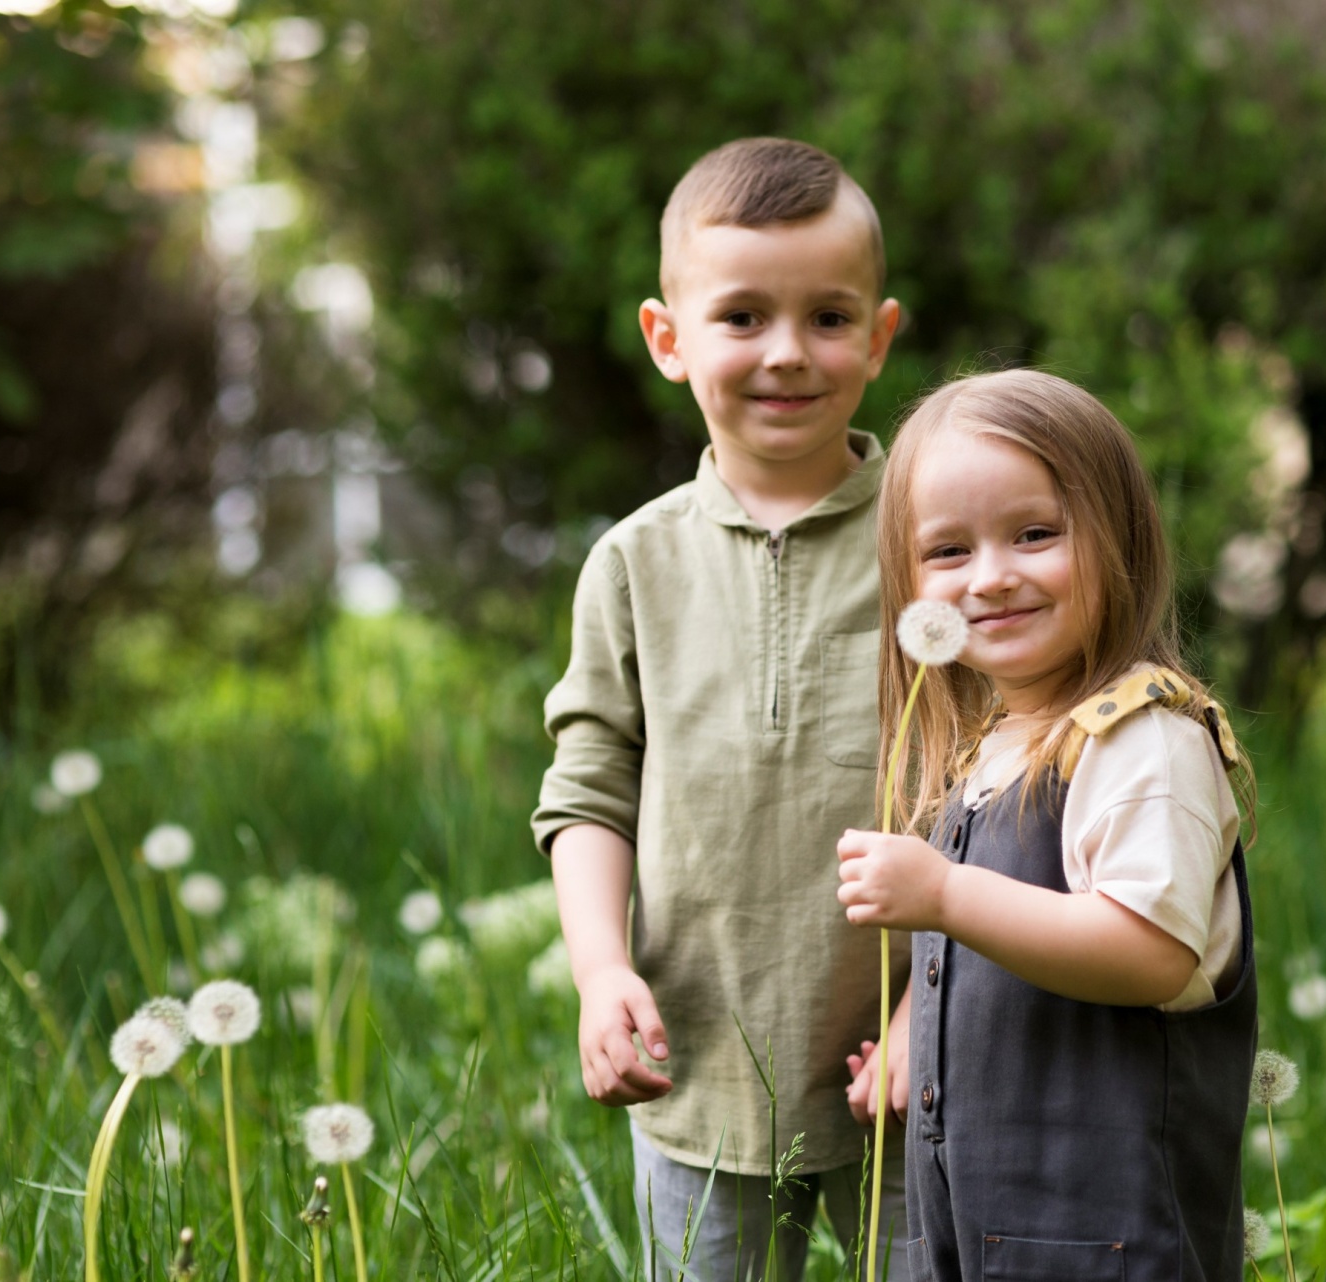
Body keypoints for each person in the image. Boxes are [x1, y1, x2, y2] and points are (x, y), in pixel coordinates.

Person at [533, 137, 911, 1281]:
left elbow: (1003, 790)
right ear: (668, 339)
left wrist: (937, 1013)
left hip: (911, 1061)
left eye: (829, 318)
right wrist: (602, 968)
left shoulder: (938, 542)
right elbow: (589, 786)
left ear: (881, 337)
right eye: (742, 316)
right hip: (697, 1064)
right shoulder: (634, 564)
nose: (788, 353)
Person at [836, 369, 1259, 1281]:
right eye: (947, 552)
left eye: (1035, 534)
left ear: (1120, 537)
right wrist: (922, 1017)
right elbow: (1002, 934)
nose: (992, 577)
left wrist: (945, 893)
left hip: (1106, 1240)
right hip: (982, 1229)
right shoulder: (993, 746)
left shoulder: (1144, 741)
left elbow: (1149, 950)